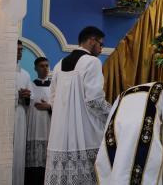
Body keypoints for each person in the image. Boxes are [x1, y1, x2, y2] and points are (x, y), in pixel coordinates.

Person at [95, 82, 163, 184]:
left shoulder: (122, 96)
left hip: (119, 155)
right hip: (149, 153)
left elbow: (111, 127)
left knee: (120, 174)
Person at [45, 27, 111, 185]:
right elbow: (94, 101)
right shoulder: (92, 62)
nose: (101, 49)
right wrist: (112, 113)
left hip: (60, 136)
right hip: (85, 134)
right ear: (91, 40)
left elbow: (52, 99)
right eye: (100, 44)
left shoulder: (59, 65)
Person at [25, 57, 52, 185]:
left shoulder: (54, 86)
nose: (45, 68)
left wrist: (50, 106)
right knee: (34, 171)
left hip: (49, 129)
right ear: (35, 68)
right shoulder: (29, 85)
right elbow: (25, 106)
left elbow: (63, 107)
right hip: (34, 129)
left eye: (47, 66)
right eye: (42, 66)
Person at [13, 40, 31, 185]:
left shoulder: (25, 74)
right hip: (6, 116)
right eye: (17, 49)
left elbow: (28, 101)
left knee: (18, 152)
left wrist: (26, 97)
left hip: (20, 115)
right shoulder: (2, 73)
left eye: (21, 50)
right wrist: (16, 96)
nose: (20, 53)